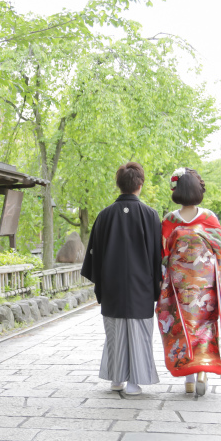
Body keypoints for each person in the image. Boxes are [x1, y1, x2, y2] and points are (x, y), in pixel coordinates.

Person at [81, 162, 162, 396]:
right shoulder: (150, 215)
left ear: (119, 185)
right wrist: (156, 285)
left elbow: (93, 255)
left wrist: (101, 285)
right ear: (140, 184)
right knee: (139, 334)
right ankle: (135, 383)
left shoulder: (104, 216)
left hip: (112, 286)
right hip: (142, 286)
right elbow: (157, 256)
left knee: (114, 333)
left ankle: (116, 379)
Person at [156, 167, 221, 397]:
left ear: (176, 191)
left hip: (179, 285)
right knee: (205, 327)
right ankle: (203, 372)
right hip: (204, 283)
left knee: (181, 326)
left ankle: (189, 380)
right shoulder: (209, 218)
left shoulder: (170, 220)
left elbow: (164, 252)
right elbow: (220, 246)